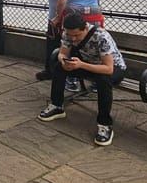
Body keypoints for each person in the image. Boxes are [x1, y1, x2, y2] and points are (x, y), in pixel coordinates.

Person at [37, 11, 127, 146]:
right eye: (70, 35)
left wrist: (81, 64)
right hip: (87, 63)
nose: (73, 39)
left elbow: (109, 69)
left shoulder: (101, 36)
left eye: (77, 35)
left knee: (103, 80)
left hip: (112, 68)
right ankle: (56, 105)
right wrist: (64, 62)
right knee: (58, 67)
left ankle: (105, 124)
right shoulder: (68, 33)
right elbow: (62, 53)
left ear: (85, 27)